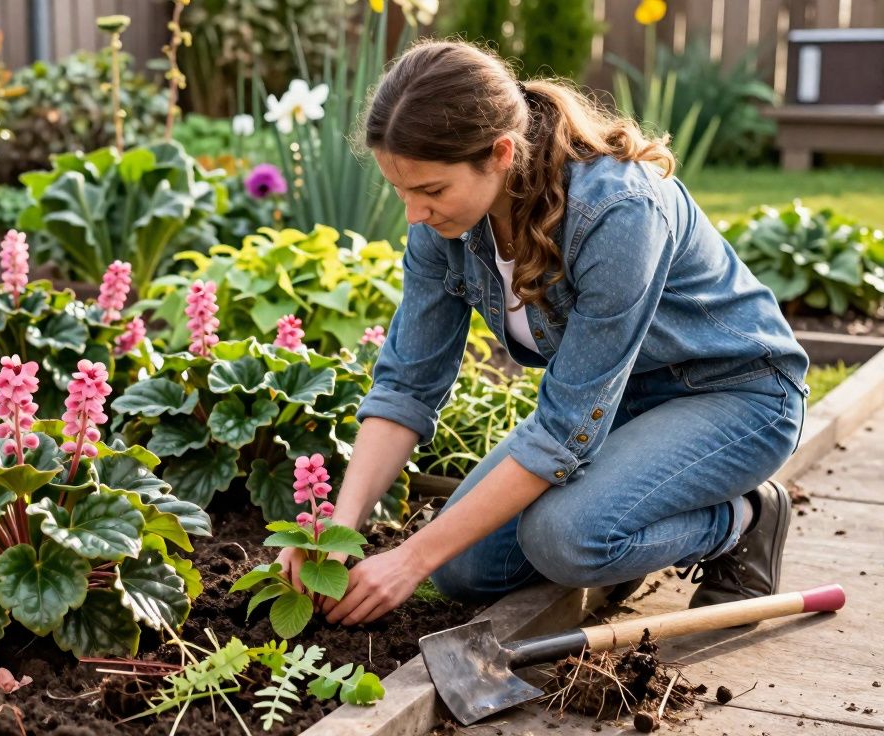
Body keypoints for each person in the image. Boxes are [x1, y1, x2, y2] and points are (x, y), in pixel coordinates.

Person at [277, 39, 809, 626]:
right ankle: (625, 529)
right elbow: (407, 384)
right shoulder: (445, 226)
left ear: (501, 153)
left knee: (568, 539)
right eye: (400, 190)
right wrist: (335, 529)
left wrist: (408, 560)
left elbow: (563, 430)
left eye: (430, 190)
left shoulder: (618, 211)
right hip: (619, 403)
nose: (413, 214)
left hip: (734, 396)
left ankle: (745, 520)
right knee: (463, 570)